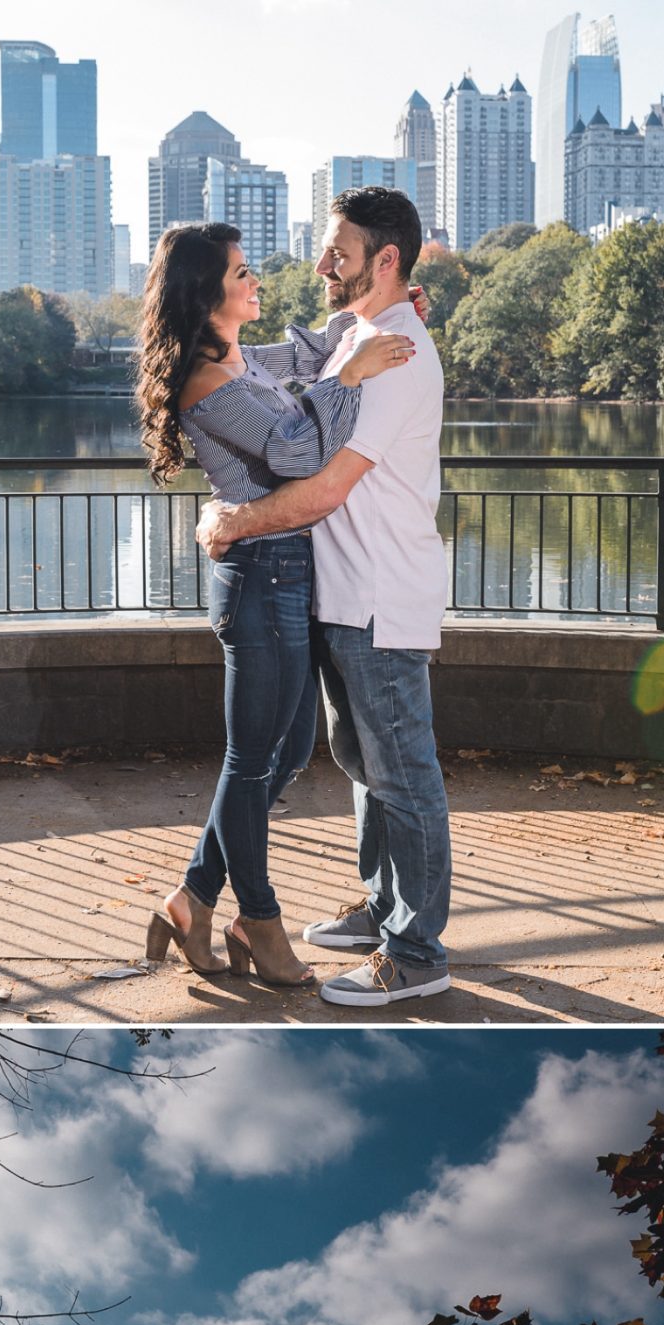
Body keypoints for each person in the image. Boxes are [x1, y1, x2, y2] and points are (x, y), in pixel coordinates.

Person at [136, 222, 416, 988]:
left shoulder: (239, 357)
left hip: (289, 572)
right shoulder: (202, 377)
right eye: (241, 273)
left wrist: (367, 323)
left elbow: (305, 357)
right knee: (250, 759)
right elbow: (296, 449)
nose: (257, 281)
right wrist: (350, 377)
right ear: (207, 292)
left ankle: (192, 897)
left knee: (285, 753)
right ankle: (256, 916)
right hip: (258, 578)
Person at [196, 187, 453, 1009]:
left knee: (404, 773)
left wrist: (237, 521)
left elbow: (324, 488)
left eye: (337, 252)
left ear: (384, 259)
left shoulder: (397, 355)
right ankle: (384, 909)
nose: (320, 265)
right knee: (362, 764)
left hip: (381, 591)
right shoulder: (361, 333)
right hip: (343, 594)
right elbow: (277, 364)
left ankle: (416, 951)